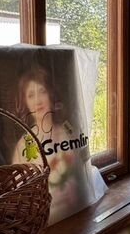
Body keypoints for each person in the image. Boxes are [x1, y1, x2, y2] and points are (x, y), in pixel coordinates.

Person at [12, 65, 85, 216]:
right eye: (31, 95)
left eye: (42, 91)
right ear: (25, 102)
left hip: (78, 212)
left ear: (51, 94)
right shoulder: (24, 144)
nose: (38, 100)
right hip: (46, 220)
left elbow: (82, 167)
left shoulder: (68, 131)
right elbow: (19, 193)